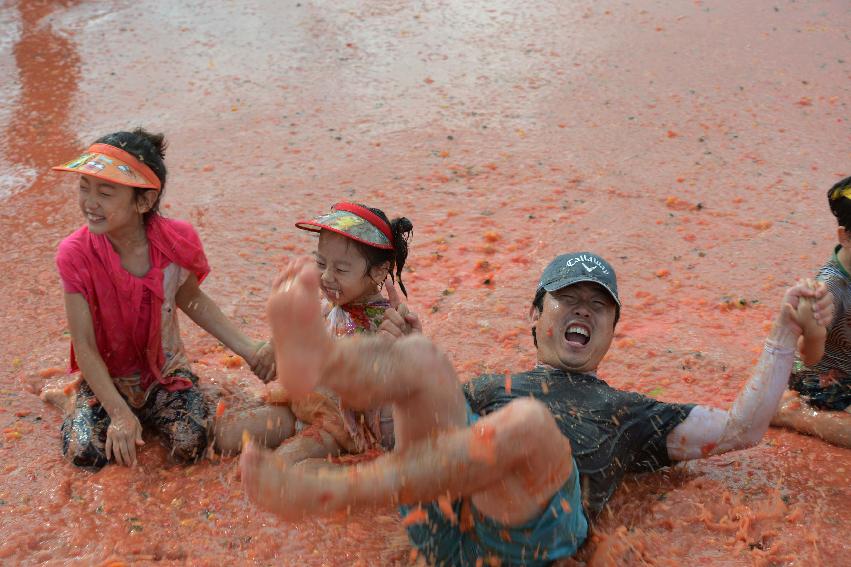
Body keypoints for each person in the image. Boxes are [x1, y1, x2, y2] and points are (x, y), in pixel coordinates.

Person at [239, 251, 831, 566]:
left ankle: (331, 495)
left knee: (525, 423)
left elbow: (741, 428)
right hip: (440, 526)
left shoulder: (630, 410)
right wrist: (395, 360)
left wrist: (784, 333)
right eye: (567, 299)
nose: (582, 311)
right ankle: (314, 361)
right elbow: (411, 440)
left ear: (612, 331)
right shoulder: (493, 383)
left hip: (531, 537)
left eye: (597, 308)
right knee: (421, 356)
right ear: (533, 316)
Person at [46, 128, 281, 469]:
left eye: (106, 192)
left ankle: (152, 410)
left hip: (163, 374)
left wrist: (249, 350)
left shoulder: (175, 242)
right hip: (106, 380)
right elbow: (84, 345)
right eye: (84, 187)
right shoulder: (74, 254)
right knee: (87, 455)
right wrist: (119, 414)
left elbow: (192, 299)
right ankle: (70, 403)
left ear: (144, 201)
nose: (89, 202)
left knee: (191, 444)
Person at [214, 202, 419, 463]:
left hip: (340, 425)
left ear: (378, 270)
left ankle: (344, 471)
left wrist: (396, 348)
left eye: (341, 269)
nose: (327, 276)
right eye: (321, 262)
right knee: (224, 435)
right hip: (302, 404)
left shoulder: (388, 324)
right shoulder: (330, 302)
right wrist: (274, 346)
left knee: (281, 469)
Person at [772, 176, 851, 448]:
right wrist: (814, 333)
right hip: (825, 380)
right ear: (845, 236)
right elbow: (809, 357)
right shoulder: (830, 288)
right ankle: (797, 415)